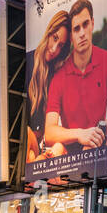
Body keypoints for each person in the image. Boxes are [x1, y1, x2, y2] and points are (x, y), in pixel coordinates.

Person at [43, 0, 107, 155]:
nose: (82, 33)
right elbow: (50, 132)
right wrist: (81, 134)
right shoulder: (59, 77)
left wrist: (100, 132)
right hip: (70, 153)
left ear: (93, 23)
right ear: (71, 36)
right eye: (76, 29)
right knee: (57, 149)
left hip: (99, 147)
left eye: (85, 24)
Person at [27, 9, 71, 162]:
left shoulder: (57, 74)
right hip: (28, 143)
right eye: (54, 38)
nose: (54, 49)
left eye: (60, 46)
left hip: (45, 146)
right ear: (48, 33)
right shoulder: (29, 62)